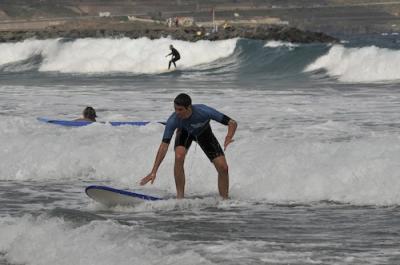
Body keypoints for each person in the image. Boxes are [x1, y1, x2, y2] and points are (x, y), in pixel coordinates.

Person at [140, 93, 237, 199]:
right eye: (175, 109)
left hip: (204, 133)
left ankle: (225, 200)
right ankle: (180, 197)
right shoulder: (173, 120)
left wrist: (229, 136)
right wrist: (154, 171)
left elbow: (232, 122)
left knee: (223, 167)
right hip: (184, 132)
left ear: (189, 107)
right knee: (179, 156)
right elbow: (163, 146)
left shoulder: (204, 111)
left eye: (180, 109)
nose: (177, 112)